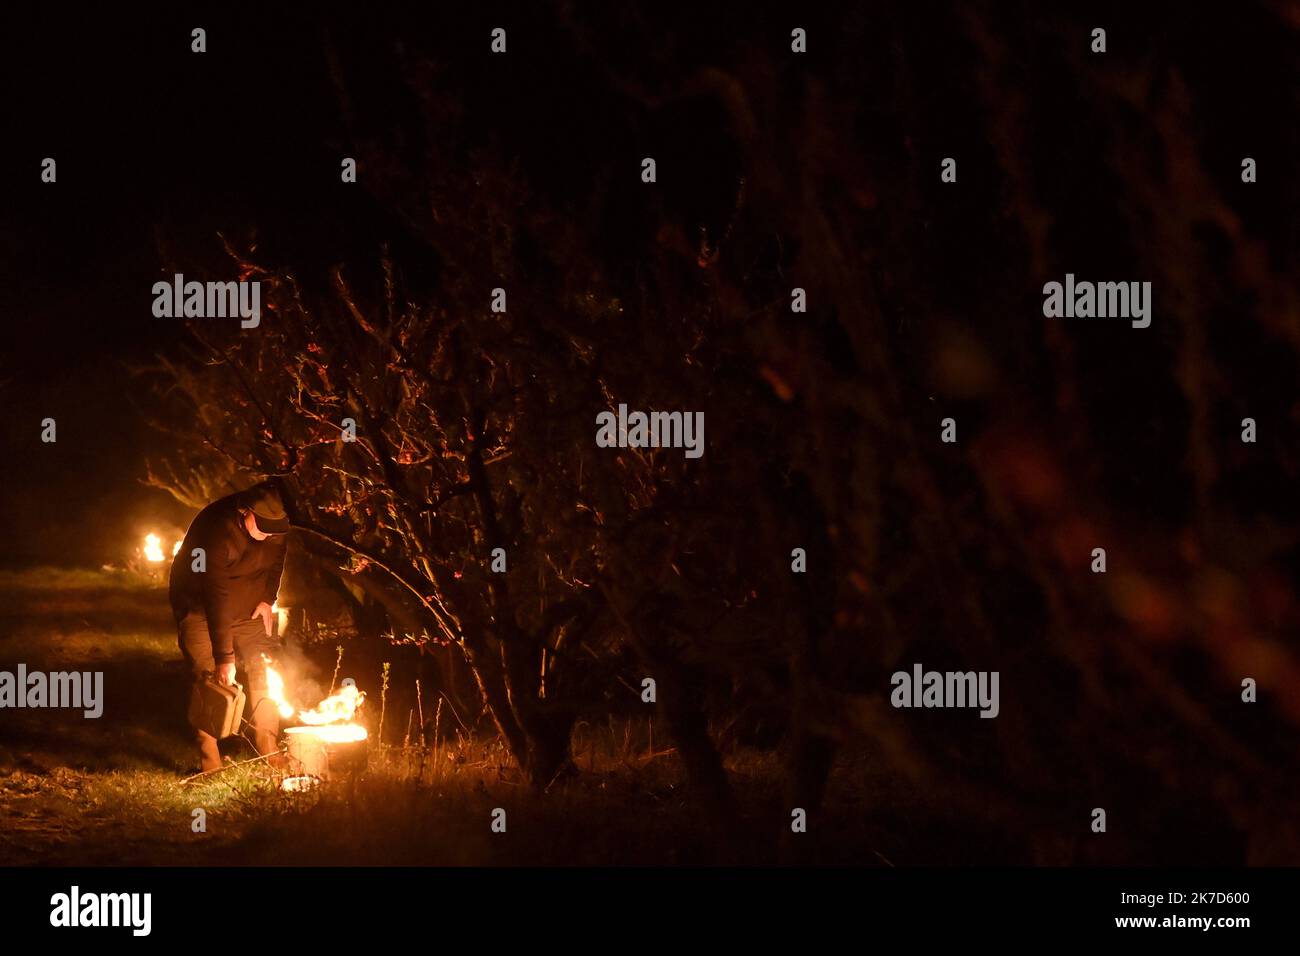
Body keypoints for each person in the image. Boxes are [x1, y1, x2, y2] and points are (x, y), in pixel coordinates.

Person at [169, 481, 290, 771]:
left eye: (273, 531)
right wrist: (225, 657)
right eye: (260, 528)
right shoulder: (215, 531)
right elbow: (216, 596)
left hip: (249, 607)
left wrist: (266, 598)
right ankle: (210, 762)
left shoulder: (275, 526)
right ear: (244, 512)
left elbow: (276, 563)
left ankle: (268, 750)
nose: (267, 536)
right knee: (211, 679)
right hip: (200, 607)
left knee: (264, 668)